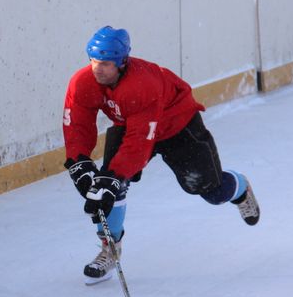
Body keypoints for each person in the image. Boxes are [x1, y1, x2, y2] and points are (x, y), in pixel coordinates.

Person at [62, 26, 260, 283]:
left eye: (106, 63)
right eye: (93, 61)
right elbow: (76, 124)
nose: (97, 68)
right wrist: (80, 162)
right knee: (108, 186)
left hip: (177, 125)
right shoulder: (83, 81)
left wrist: (113, 175)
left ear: (121, 63)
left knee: (211, 191)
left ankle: (239, 187)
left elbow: (138, 143)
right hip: (130, 125)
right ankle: (110, 249)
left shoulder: (143, 85)